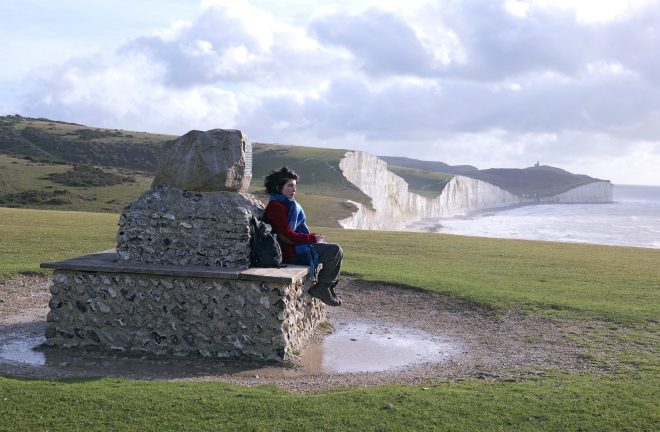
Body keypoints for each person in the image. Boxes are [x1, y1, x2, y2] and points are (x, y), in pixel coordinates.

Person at [263, 167, 343, 306]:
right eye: (290, 185)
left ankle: (327, 286)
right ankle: (322, 287)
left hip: (294, 247)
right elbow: (286, 237)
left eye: (295, 186)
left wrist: (313, 237)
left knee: (335, 251)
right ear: (278, 187)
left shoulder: (288, 205)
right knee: (334, 250)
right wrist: (312, 239)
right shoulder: (276, 207)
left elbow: (297, 233)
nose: (294, 190)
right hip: (287, 252)